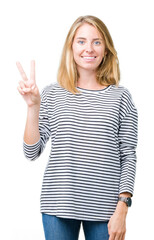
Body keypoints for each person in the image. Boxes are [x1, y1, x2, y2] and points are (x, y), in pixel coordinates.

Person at [17, 15, 138, 240]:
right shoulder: (53, 93)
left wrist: (123, 206)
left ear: (106, 49)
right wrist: (33, 107)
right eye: (81, 41)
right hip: (58, 205)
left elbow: (128, 156)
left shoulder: (121, 97)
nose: (88, 49)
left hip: (106, 209)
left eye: (97, 42)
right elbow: (31, 152)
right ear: (71, 47)